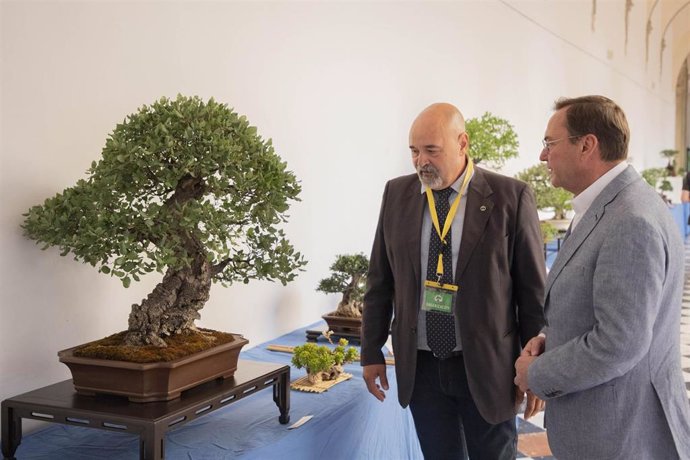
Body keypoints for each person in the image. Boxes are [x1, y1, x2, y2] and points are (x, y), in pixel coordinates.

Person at [361, 102, 546, 459]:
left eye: (432, 150)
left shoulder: (511, 197)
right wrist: (371, 350)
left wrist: (537, 362)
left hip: (488, 365)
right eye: (414, 151)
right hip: (422, 367)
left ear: (463, 143)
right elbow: (380, 281)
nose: (421, 162)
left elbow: (533, 293)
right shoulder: (397, 194)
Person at [514, 95, 690, 459]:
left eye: (550, 143)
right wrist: (550, 337)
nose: (543, 156)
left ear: (587, 145)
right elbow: (593, 301)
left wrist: (538, 373)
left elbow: (618, 342)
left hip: (620, 435)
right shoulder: (607, 204)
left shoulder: (631, 221)